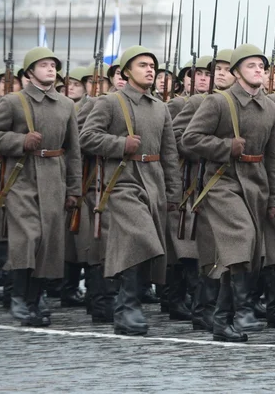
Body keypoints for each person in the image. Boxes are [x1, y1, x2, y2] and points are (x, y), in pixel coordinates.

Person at [181, 44, 275, 343]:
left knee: (245, 252)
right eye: (251, 66)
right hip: (222, 182)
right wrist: (225, 147)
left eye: (261, 66)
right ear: (237, 72)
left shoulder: (272, 108)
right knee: (241, 237)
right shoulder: (218, 102)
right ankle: (229, 315)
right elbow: (190, 139)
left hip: (256, 184)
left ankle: (222, 318)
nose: (258, 71)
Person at [79, 45, 181, 336]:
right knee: (140, 237)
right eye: (142, 65)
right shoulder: (110, 102)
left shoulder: (160, 107)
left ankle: (128, 304)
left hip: (153, 181)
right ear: (126, 71)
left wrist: (173, 193)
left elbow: (169, 154)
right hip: (121, 181)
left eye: (153, 66)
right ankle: (127, 306)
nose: (150, 70)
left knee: (147, 245)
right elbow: (87, 137)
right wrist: (120, 145)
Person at [0, 47, 82, 327]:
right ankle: (19, 299)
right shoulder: (13, 102)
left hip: (54, 177)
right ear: (29, 72)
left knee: (48, 241)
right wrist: (19, 141)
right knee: (27, 236)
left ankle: (36, 299)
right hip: (21, 177)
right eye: (43, 65)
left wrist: (73, 189)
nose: (50, 69)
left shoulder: (66, 104)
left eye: (53, 65)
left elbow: (73, 151)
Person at [172, 48, 234, 332]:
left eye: (223, 70)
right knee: (207, 248)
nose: (219, 75)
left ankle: (217, 308)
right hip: (201, 181)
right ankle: (202, 308)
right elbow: (177, 138)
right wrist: (213, 149)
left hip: (234, 181)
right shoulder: (199, 101)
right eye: (214, 71)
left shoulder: (239, 102)